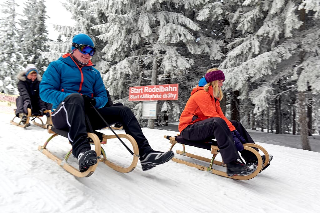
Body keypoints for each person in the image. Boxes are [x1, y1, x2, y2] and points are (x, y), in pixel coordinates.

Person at [40, 33, 174, 172]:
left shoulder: (94, 73)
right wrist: (74, 98)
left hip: (87, 116)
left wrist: (93, 101)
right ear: (74, 48)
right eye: (84, 50)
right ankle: (81, 151)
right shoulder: (57, 66)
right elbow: (45, 92)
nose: (88, 55)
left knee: (123, 111)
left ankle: (146, 153)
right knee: (75, 98)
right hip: (63, 116)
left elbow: (103, 97)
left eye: (91, 51)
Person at [178, 68, 271, 176]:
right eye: (220, 81)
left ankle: (252, 158)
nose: (222, 84)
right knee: (217, 122)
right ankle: (232, 164)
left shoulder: (213, 97)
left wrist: (233, 129)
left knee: (235, 124)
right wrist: (231, 133)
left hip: (202, 129)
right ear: (214, 81)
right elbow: (212, 116)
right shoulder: (201, 94)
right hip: (188, 130)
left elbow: (221, 116)